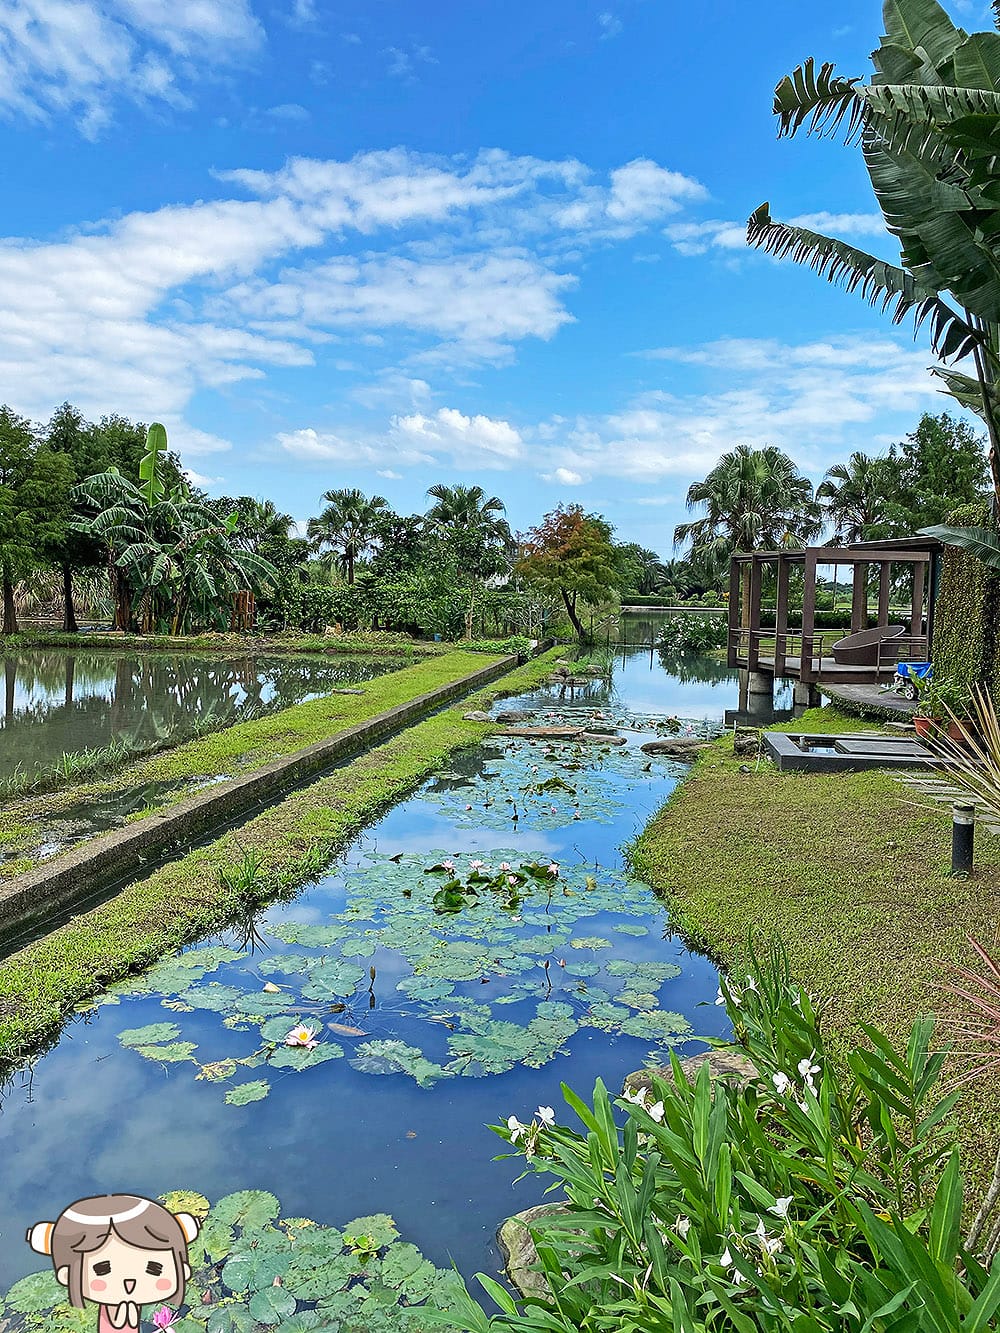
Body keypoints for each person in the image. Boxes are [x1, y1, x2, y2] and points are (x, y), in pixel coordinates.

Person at [26, 1194, 199, 1332]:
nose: (129, 1282)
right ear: (68, 1275)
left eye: (154, 1267)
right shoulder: (115, 1304)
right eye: (102, 1269)